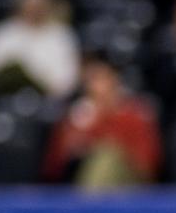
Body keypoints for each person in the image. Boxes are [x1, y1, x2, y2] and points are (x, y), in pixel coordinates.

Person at [41, 53, 162, 189]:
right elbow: (54, 166)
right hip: (79, 181)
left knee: (106, 157)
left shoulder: (134, 114)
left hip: (128, 184)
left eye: (100, 79)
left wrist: (103, 132)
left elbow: (148, 165)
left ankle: (91, 207)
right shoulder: (76, 116)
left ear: (115, 80)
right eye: (90, 80)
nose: (94, 86)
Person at [0, 0, 81, 100]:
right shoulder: (0, 34)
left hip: (50, 102)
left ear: (48, 6)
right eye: (30, 5)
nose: (34, 10)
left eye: (39, 5)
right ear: (19, 5)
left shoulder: (62, 35)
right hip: (5, 99)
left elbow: (68, 80)